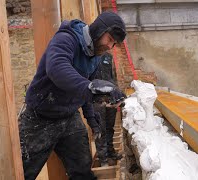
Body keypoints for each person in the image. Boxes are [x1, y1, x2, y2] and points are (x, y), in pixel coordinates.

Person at [18, 11, 126, 180]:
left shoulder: (95, 55)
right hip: (40, 117)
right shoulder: (66, 39)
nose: (110, 47)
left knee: (83, 171)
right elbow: (57, 68)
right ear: (99, 30)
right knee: (24, 172)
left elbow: (85, 90)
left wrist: (91, 118)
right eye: (110, 39)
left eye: (114, 44)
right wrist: (90, 86)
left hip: (69, 117)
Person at [91, 52, 123, 167]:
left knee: (110, 128)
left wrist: (117, 93)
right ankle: (103, 158)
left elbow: (112, 76)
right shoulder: (89, 55)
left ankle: (111, 153)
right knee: (100, 130)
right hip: (96, 101)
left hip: (110, 100)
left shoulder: (108, 56)